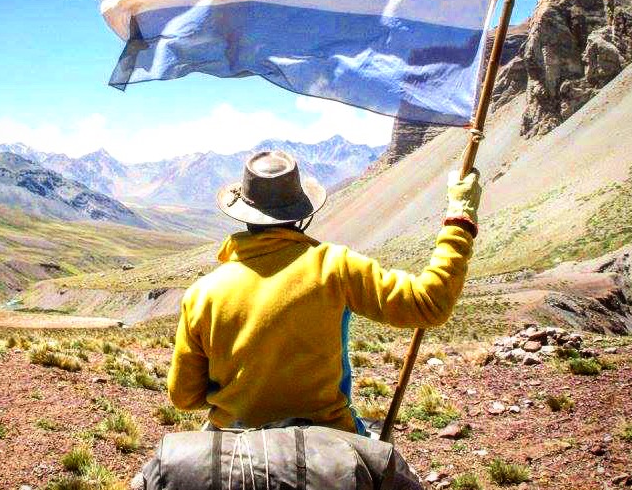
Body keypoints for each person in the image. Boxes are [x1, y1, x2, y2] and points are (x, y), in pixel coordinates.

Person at [167, 149, 480, 434]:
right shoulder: (335, 266)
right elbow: (430, 303)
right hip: (327, 435)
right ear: (302, 213)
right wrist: (459, 219)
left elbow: (184, 397)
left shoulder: (201, 294)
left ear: (243, 213)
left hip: (234, 437)